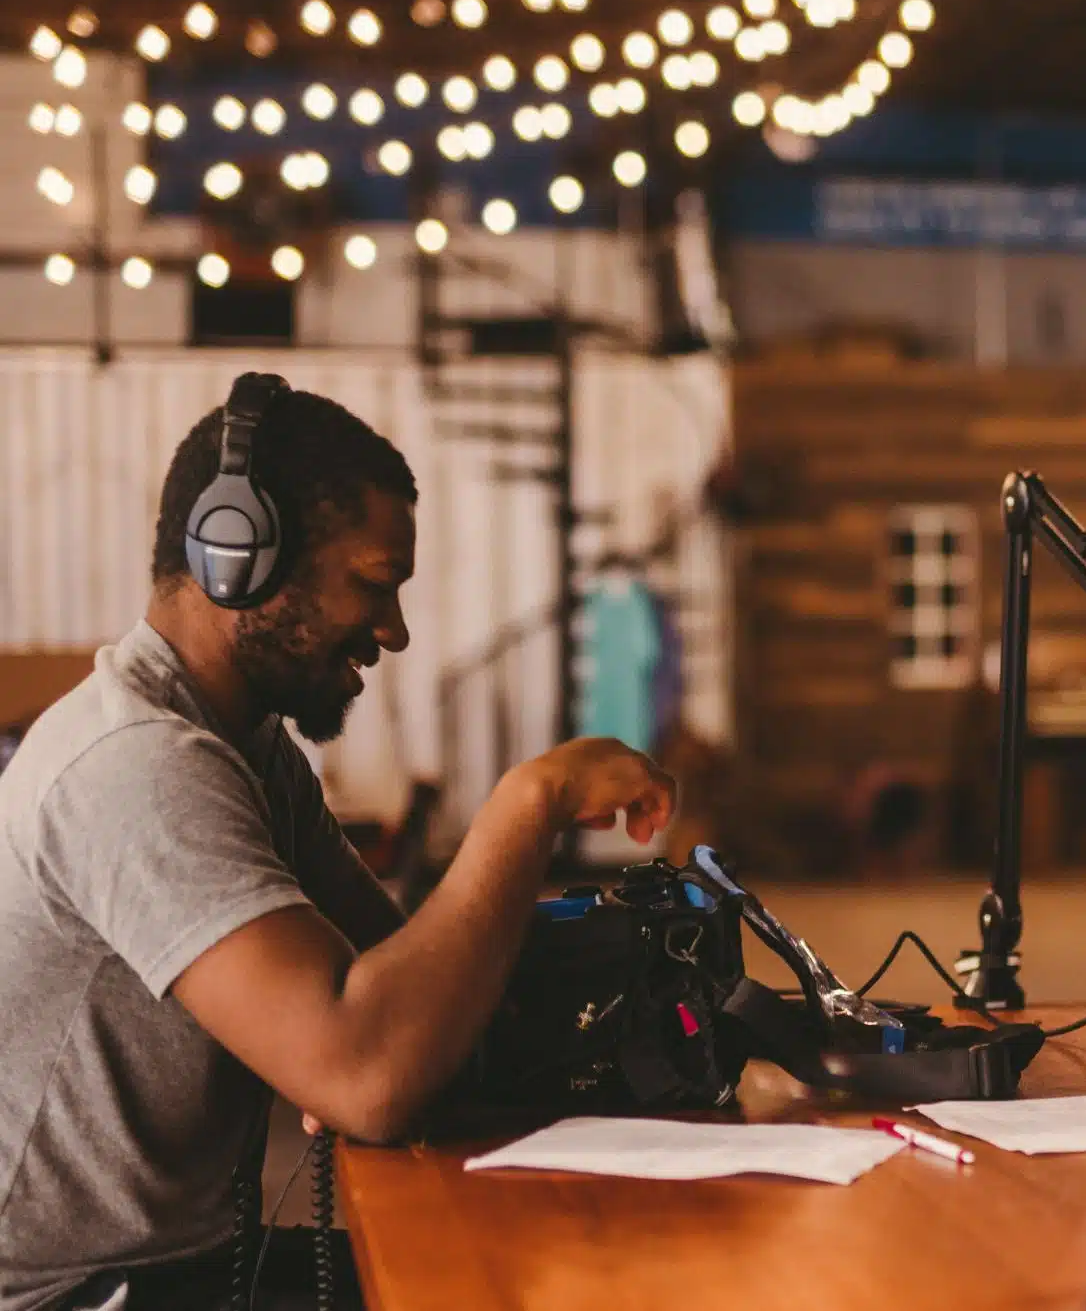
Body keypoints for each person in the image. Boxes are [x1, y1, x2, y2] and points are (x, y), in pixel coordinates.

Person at [0, 376, 675, 1310]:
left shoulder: (251, 751)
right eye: (373, 583)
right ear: (237, 558)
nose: (393, 630)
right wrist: (531, 801)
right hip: (77, 1295)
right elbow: (367, 1073)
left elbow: (395, 981)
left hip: (180, 1269)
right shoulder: (137, 766)